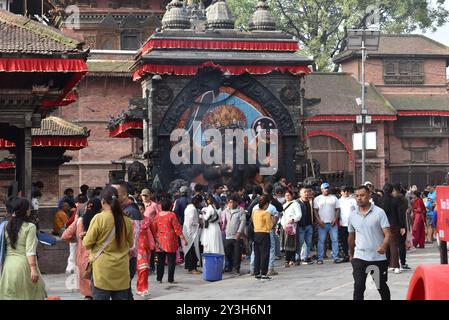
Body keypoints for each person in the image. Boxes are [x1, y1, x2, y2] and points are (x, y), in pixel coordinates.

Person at [83, 186, 134, 300]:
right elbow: (130, 244)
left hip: (102, 270)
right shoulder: (127, 220)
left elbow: (87, 243)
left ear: (102, 201)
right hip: (121, 269)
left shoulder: (99, 218)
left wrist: (85, 236)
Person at [348, 186, 391, 300]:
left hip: (377, 258)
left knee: (380, 286)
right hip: (360, 256)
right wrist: (351, 254)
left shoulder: (379, 212)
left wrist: (383, 246)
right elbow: (351, 237)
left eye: (362, 195)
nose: (359, 198)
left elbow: (387, 234)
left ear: (369, 196)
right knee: (358, 287)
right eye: (357, 196)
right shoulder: (352, 215)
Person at [0, 197, 47, 300]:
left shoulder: (4, 226)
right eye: (29, 208)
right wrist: (33, 269)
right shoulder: (30, 227)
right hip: (24, 266)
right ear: (25, 210)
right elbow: (30, 251)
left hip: (8, 267)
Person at [61, 198, 102, 300]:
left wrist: (77, 239)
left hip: (83, 261)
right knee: (100, 291)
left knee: (88, 294)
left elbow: (65, 235)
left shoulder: (80, 221)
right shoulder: (101, 220)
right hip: (99, 259)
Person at [115, 182, 142, 299]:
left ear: (124, 194)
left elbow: (134, 242)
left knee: (123, 290)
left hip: (127, 258)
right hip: (122, 257)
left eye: (115, 194)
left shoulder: (130, 212)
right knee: (125, 290)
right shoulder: (122, 210)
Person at [151, 198, 187, 283]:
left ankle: (159, 279)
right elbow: (177, 229)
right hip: (170, 241)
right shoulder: (172, 215)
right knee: (171, 261)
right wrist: (183, 239)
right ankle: (170, 279)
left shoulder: (157, 216)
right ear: (171, 206)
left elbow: (154, 229)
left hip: (160, 241)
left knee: (160, 261)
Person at [313, 183, 343, 264]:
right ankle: (320, 258)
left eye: (327, 188)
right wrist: (319, 221)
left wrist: (335, 219)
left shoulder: (334, 198)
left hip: (332, 223)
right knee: (321, 241)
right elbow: (315, 211)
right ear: (321, 189)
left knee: (335, 240)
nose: (326, 189)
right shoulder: (317, 199)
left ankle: (335, 257)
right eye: (325, 188)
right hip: (322, 223)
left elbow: (337, 209)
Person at [379, 183, 405, 274]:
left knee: (385, 245)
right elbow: (400, 214)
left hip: (382, 225)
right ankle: (396, 266)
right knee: (394, 245)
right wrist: (402, 226)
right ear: (392, 190)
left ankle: (387, 265)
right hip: (394, 224)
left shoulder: (379, 200)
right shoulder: (396, 200)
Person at [252, 195, 275, 280]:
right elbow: (269, 226)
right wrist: (273, 221)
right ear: (266, 204)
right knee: (265, 255)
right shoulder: (266, 213)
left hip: (256, 233)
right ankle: (264, 273)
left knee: (257, 254)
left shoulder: (255, 212)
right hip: (264, 234)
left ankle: (257, 272)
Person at [222, 194, 246, 275]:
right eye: (229, 202)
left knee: (237, 253)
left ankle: (236, 269)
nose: (230, 204)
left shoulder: (241, 210)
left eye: (232, 202)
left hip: (237, 236)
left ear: (236, 202)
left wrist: (239, 232)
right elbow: (223, 221)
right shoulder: (226, 210)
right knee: (227, 252)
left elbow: (243, 222)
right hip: (228, 235)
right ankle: (230, 266)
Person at [182, 194, 203, 274]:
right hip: (191, 232)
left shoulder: (188, 207)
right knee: (192, 250)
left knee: (189, 250)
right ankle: (192, 268)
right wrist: (198, 223)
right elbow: (191, 221)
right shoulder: (193, 209)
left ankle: (191, 268)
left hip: (188, 231)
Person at [393, 183, 411, 271]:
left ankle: (396, 264)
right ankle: (403, 262)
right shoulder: (404, 199)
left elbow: (399, 213)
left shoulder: (396, 200)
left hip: (397, 224)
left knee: (395, 245)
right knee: (401, 245)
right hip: (403, 223)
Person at [280, 190, 302, 267]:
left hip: (292, 226)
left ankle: (291, 259)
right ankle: (287, 259)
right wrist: (283, 224)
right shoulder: (283, 205)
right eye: (286, 195)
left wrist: (293, 220)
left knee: (292, 243)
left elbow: (299, 215)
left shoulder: (295, 204)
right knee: (286, 243)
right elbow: (282, 216)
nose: (287, 197)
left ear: (292, 195)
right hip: (285, 226)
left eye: (289, 195)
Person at [296, 187, 314, 265]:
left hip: (309, 225)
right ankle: (297, 258)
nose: (306, 193)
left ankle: (306, 257)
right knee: (300, 243)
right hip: (301, 226)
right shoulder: (297, 203)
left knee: (308, 242)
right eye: (304, 192)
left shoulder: (311, 201)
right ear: (300, 194)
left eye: (307, 192)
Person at [338, 186, 357, 262]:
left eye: (347, 190)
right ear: (341, 192)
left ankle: (354, 255)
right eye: (344, 191)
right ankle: (346, 255)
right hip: (343, 223)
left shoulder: (353, 200)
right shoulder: (338, 201)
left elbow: (357, 210)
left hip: (352, 224)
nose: (345, 192)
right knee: (344, 240)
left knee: (353, 240)